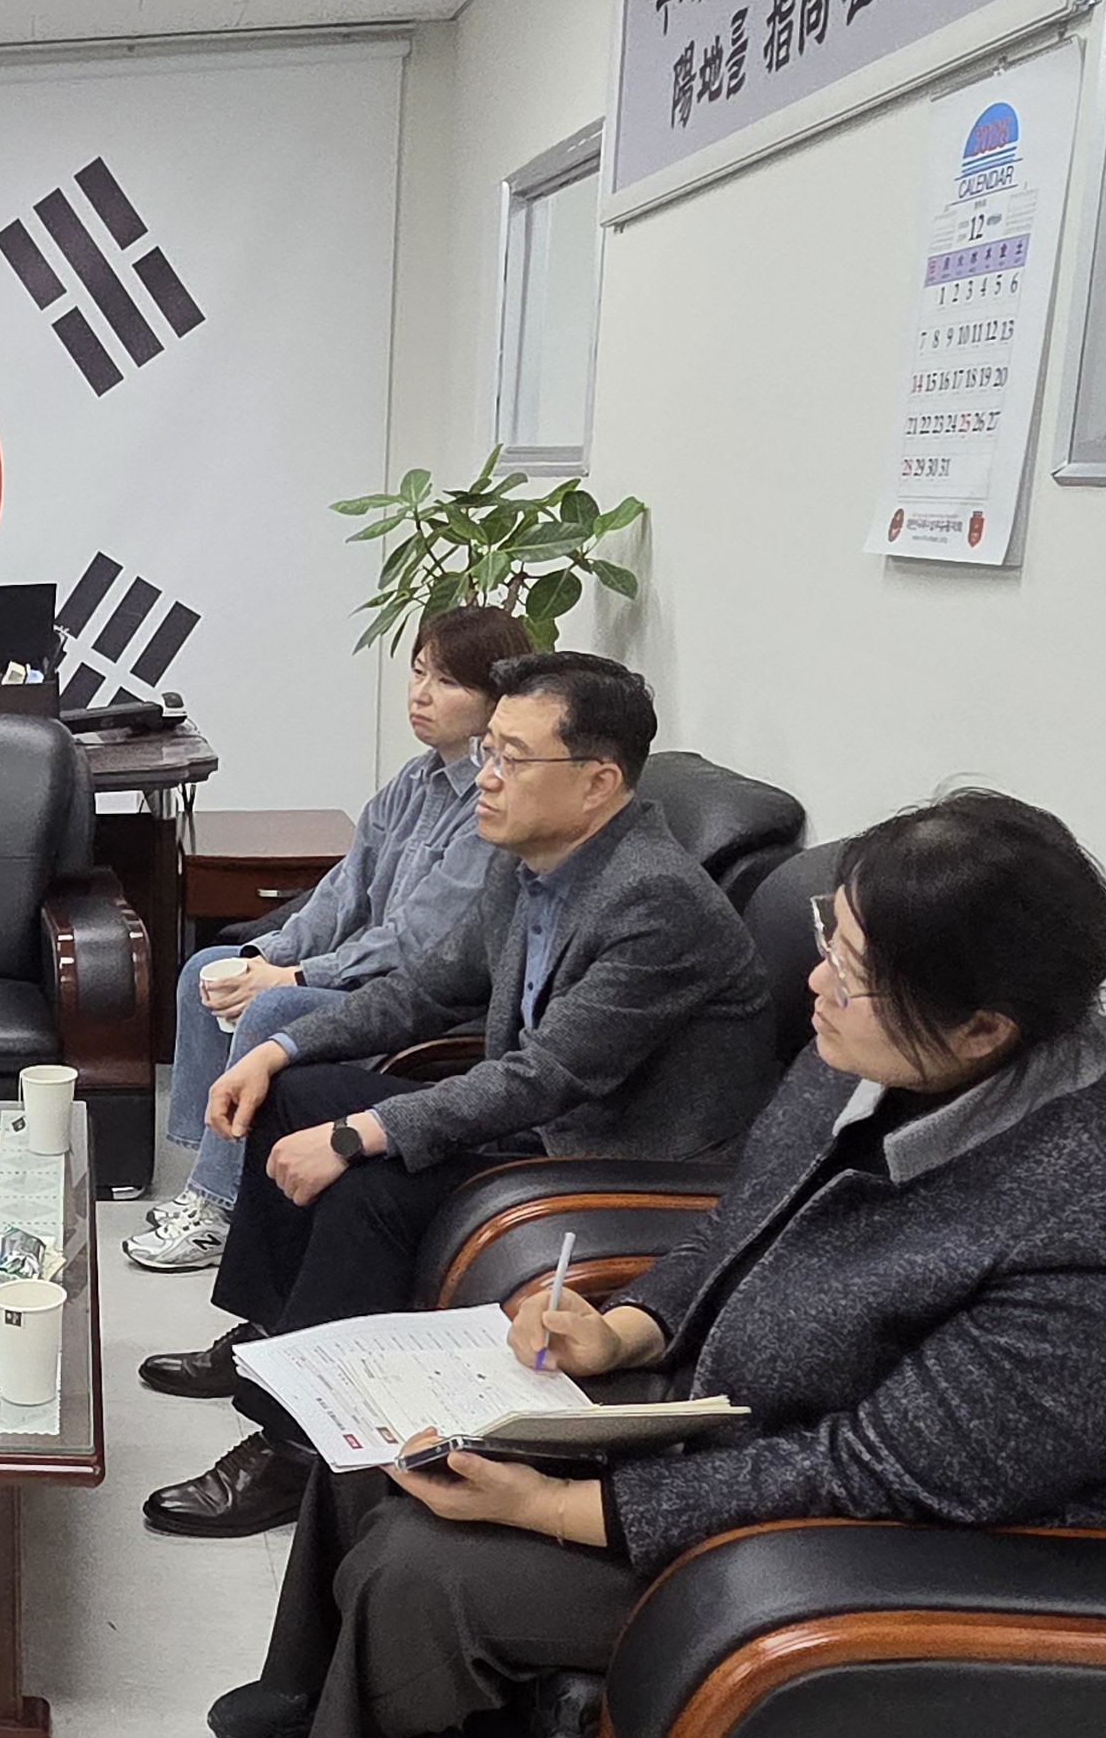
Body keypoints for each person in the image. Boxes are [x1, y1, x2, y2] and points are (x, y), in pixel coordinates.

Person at [200, 791, 1106, 1738]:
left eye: (853, 973)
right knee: (398, 1426)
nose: (816, 983)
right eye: (833, 938)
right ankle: (311, 1690)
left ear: (983, 1027)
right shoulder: (872, 1056)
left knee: (431, 1565)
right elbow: (738, 1222)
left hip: (905, 1554)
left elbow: (879, 1475)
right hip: (748, 1417)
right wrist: (625, 1329)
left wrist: (558, 1506)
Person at [137, 654, 773, 1541]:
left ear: (598, 782)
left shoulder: (655, 902)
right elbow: (428, 989)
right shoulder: (532, 861)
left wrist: (359, 1135)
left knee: (367, 1184)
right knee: (295, 1094)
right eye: (489, 751)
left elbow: (545, 1076)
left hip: (621, 1165)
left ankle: (295, 1453)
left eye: (513, 757)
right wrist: (278, 1047)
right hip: (546, 1127)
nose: (487, 776)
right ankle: (269, 1340)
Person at [126, 602, 523, 1275]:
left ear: (495, 699)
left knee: (271, 1007)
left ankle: (220, 1205)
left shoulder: (490, 804)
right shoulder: (413, 781)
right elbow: (341, 894)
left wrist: (292, 979)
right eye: (417, 672)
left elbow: (415, 942)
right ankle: (204, 1175)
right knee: (210, 967)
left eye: (448, 682)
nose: (420, 694)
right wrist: (265, 956)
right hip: (355, 970)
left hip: (416, 998)